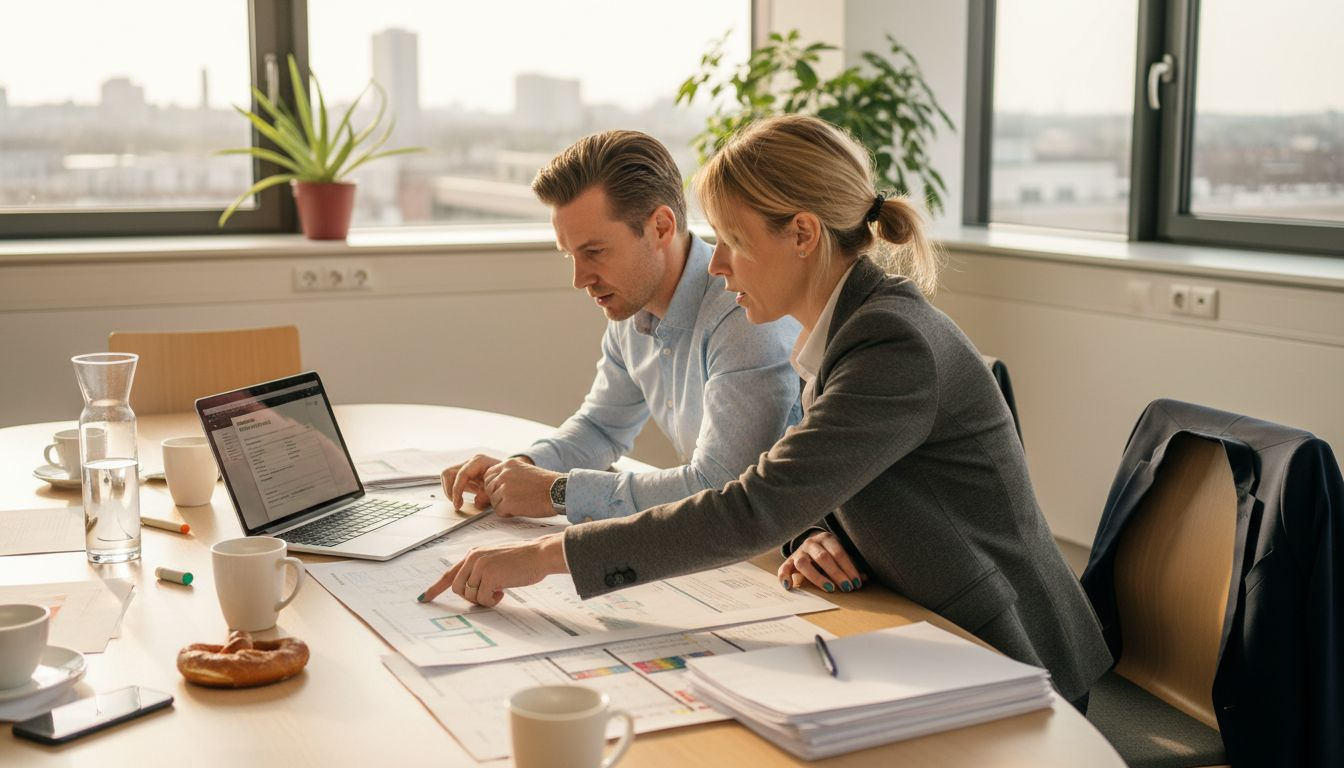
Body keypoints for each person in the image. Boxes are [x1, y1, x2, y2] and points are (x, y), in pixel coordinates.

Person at [422, 115, 1112, 707]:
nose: (717, 265)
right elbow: (827, 469)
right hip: (919, 621)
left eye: (733, 240)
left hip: (1012, 653)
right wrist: (818, 529)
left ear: (803, 235)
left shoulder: (889, 342)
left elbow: (753, 503)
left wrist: (548, 556)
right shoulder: (850, 327)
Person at [442, 130, 801, 525]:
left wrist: (556, 492)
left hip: (784, 544)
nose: (580, 279)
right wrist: (516, 471)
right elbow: (600, 428)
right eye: (570, 256)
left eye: (595, 252)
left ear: (661, 227)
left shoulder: (742, 313)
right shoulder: (632, 308)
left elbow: (721, 487)